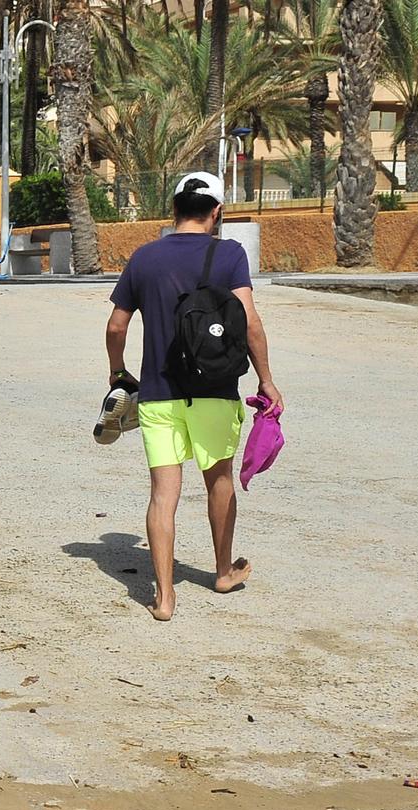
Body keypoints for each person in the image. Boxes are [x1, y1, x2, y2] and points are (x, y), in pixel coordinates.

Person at [105, 171, 283, 622]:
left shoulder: (144, 257)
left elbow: (116, 327)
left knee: (163, 495)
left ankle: (164, 599)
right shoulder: (229, 254)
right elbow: (251, 321)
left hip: (159, 396)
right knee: (218, 479)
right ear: (216, 212)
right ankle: (222, 571)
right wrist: (265, 380)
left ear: (175, 209)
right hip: (215, 391)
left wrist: (119, 373)